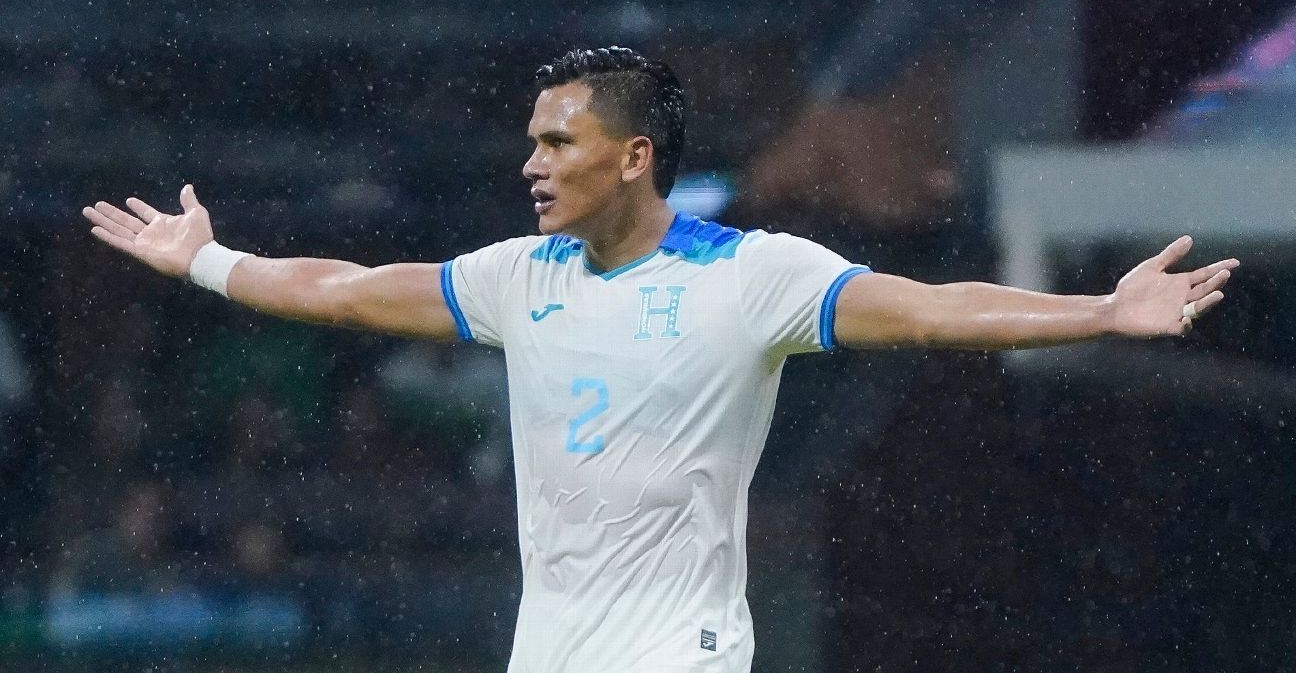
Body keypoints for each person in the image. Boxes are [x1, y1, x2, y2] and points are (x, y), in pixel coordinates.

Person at [83, 47, 1237, 673]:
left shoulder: (752, 276)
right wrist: (208, 261)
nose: (532, 164)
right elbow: (341, 289)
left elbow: (935, 311)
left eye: (559, 142)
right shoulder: (518, 277)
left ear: (634, 157)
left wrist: (1100, 309)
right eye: (532, 141)